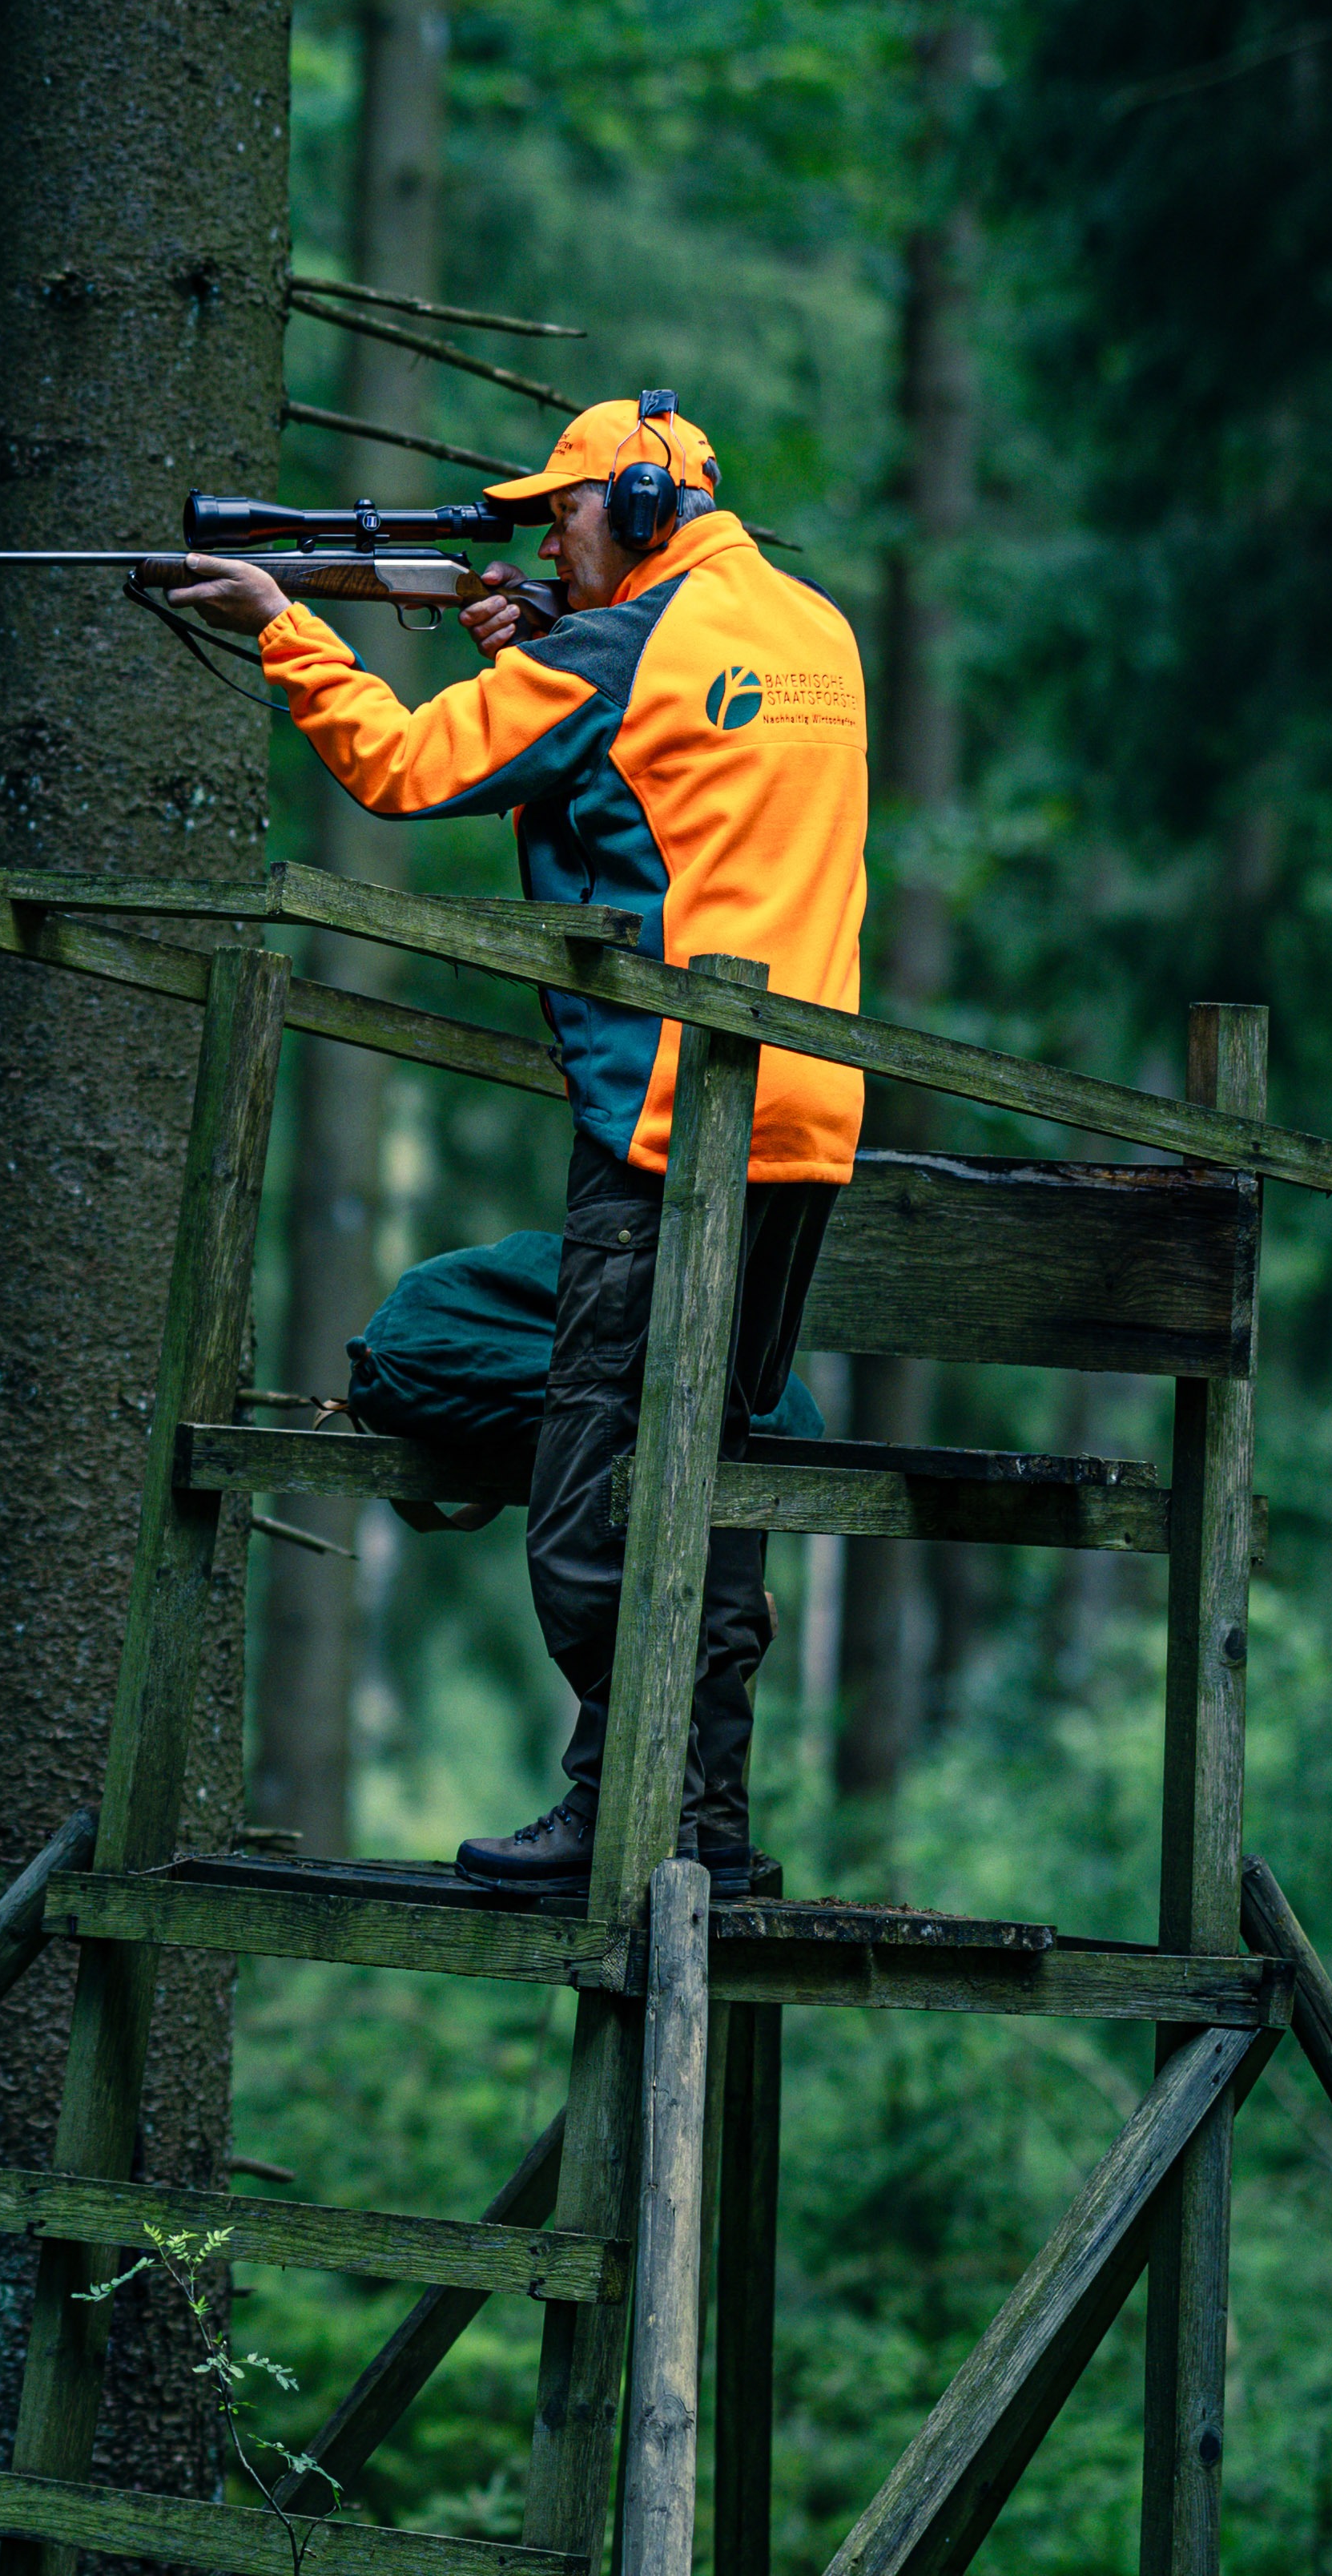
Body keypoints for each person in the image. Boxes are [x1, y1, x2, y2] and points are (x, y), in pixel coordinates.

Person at [143, 389, 871, 1898]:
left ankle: (626, 1821)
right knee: (709, 1470)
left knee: (604, 1487)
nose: (553, 532)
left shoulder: (615, 651)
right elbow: (674, 795)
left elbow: (407, 770)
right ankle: (700, 1830)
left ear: (646, 513)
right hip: (804, 1119)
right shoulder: (813, 632)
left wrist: (289, 627)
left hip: (671, 1123)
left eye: (569, 511)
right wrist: (534, 652)